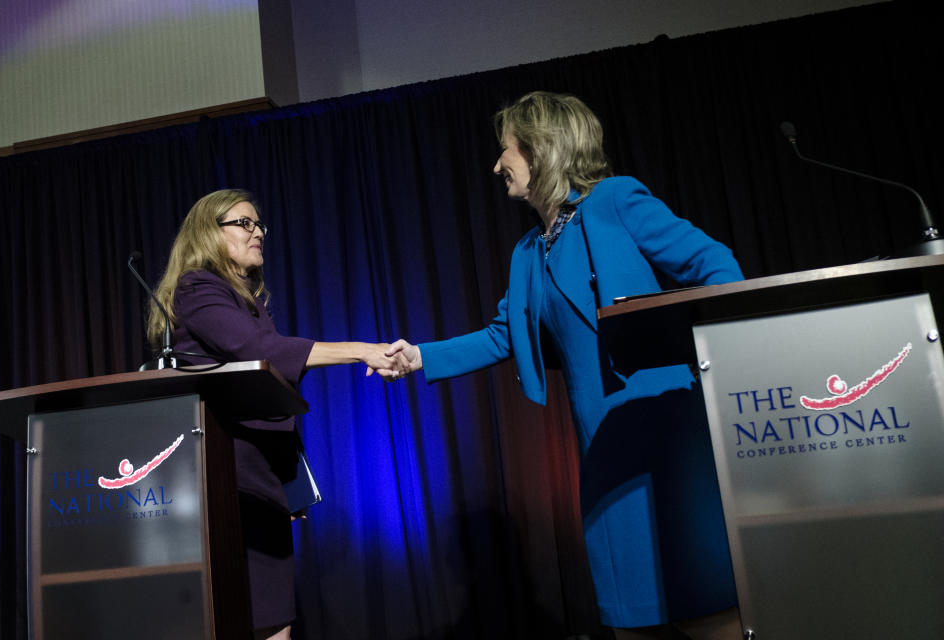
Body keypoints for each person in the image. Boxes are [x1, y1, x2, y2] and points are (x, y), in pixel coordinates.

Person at [386, 92, 744, 639]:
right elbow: (502, 334)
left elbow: (714, 264)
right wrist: (418, 358)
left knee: (705, 606)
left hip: (668, 434)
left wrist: (713, 352)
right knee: (630, 616)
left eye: (504, 149)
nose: (496, 164)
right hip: (602, 446)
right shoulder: (528, 251)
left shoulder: (616, 202)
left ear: (541, 148)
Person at [146, 188, 408, 640]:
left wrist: (289, 482)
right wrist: (360, 350)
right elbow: (258, 354)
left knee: (273, 618)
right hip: (221, 478)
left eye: (259, 224)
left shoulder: (246, 299)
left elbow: (270, 391)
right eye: (243, 223)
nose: (257, 233)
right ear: (209, 232)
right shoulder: (197, 288)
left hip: (257, 479)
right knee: (235, 616)